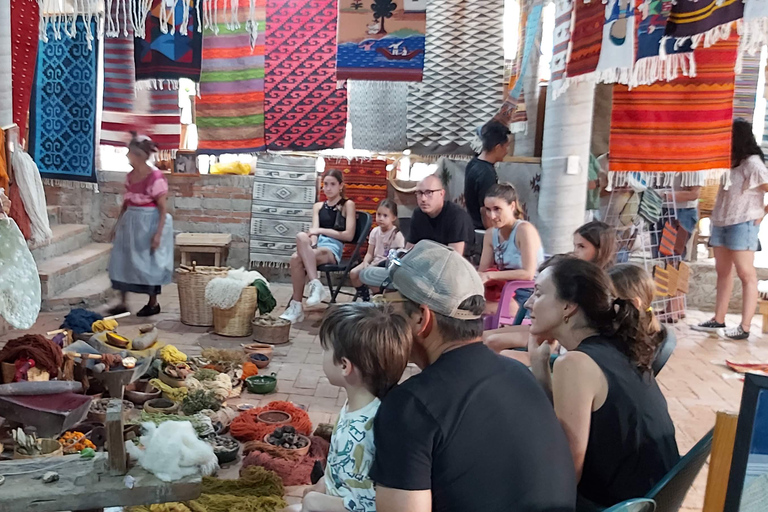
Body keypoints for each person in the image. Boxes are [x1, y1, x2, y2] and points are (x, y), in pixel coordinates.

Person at [370, 240, 577, 512]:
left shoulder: (410, 406)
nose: (381, 313)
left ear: (421, 318)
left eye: (387, 303)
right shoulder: (517, 373)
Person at [526, 256, 679, 509]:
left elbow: (566, 474)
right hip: (649, 498)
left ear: (568, 307)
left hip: (616, 505)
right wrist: (540, 364)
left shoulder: (575, 363)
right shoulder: (618, 345)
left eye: (538, 293)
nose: (528, 302)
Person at [287, 303, 411, 512]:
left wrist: (314, 501)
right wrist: (323, 484)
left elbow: (369, 505)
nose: (323, 355)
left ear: (345, 366)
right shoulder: (361, 406)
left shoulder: (371, 428)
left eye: (326, 349)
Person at [483, 220, 614, 356]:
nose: (576, 252)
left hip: (556, 337)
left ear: (600, 250)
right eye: (575, 246)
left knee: (493, 342)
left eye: (581, 246)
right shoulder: (572, 270)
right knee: (484, 336)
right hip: (546, 328)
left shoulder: (598, 285)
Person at [693, 119, 768, 340]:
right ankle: (719, 319)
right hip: (722, 221)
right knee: (723, 272)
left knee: (746, 274)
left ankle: (744, 326)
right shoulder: (732, 162)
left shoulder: (753, 163)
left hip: (743, 222)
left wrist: (762, 213)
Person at [358, 175, 473, 288]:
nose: (423, 198)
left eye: (429, 193)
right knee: (368, 274)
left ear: (441, 194)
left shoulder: (456, 216)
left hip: (450, 274)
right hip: (420, 270)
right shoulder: (419, 214)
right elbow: (409, 251)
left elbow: (454, 259)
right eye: (419, 193)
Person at [107, 133, 173, 317]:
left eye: (130, 153)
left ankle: (152, 303)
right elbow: (126, 203)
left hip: (148, 223)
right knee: (122, 260)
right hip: (130, 223)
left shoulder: (155, 177)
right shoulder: (130, 176)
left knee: (148, 262)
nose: (127, 156)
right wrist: (116, 226)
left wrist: (158, 234)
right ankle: (122, 302)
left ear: (139, 155)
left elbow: (162, 208)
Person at [280, 169, 357, 324]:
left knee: (296, 259)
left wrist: (321, 230)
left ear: (341, 186)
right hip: (317, 247)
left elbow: (349, 235)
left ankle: (297, 306)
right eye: (325, 184)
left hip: (332, 250)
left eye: (332, 184)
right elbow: (313, 234)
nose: (328, 188)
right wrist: (312, 245)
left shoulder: (347, 204)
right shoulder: (318, 207)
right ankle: (315, 284)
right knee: (301, 238)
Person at [477, 183, 544, 316]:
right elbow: (482, 271)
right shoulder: (491, 234)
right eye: (488, 210)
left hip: (528, 292)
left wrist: (491, 275)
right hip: (502, 290)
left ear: (512, 206)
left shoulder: (524, 230)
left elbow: (528, 273)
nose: (492, 216)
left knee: (475, 311)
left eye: (497, 209)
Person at [349, 199, 405, 302]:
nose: (381, 218)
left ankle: (378, 297)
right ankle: (365, 297)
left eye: (385, 216)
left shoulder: (396, 235)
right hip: (374, 262)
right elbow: (370, 253)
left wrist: (373, 266)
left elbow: (394, 257)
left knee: (371, 276)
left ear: (393, 217)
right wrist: (366, 262)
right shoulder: (375, 232)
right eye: (378, 214)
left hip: (386, 265)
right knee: (353, 273)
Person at [464, 121, 511, 230]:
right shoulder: (486, 174)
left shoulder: (474, 163)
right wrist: (492, 236)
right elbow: (485, 211)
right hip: (482, 230)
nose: (506, 151)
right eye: (506, 147)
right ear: (498, 147)